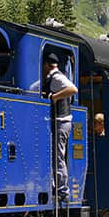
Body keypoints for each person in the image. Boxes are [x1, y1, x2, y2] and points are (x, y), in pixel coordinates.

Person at [41, 53, 77, 200]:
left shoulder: (56, 77)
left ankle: (63, 190)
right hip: (60, 121)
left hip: (62, 121)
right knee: (56, 155)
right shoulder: (54, 76)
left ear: (47, 65)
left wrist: (55, 97)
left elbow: (73, 89)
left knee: (58, 156)